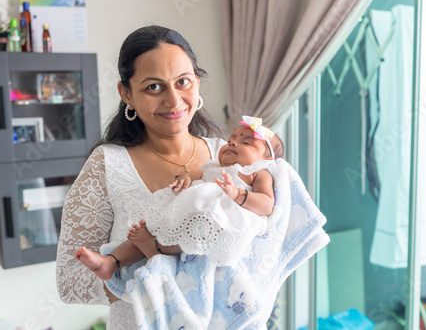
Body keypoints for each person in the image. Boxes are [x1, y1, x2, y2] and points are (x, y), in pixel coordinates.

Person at [56, 25, 225, 328]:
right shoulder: (107, 165)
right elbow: (70, 281)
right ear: (126, 94)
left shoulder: (227, 158)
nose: (174, 101)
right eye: (154, 87)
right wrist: (154, 276)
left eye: (183, 82)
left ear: (196, 82)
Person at [74, 116, 284, 280]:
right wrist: (185, 178)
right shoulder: (215, 166)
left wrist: (238, 194)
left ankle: (158, 251)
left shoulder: (258, 173)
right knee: (149, 227)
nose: (232, 143)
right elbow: (198, 179)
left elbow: (266, 204)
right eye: (231, 139)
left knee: (192, 232)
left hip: (224, 220)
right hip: (194, 209)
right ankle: (111, 262)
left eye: (245, 142)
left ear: (267, 160)